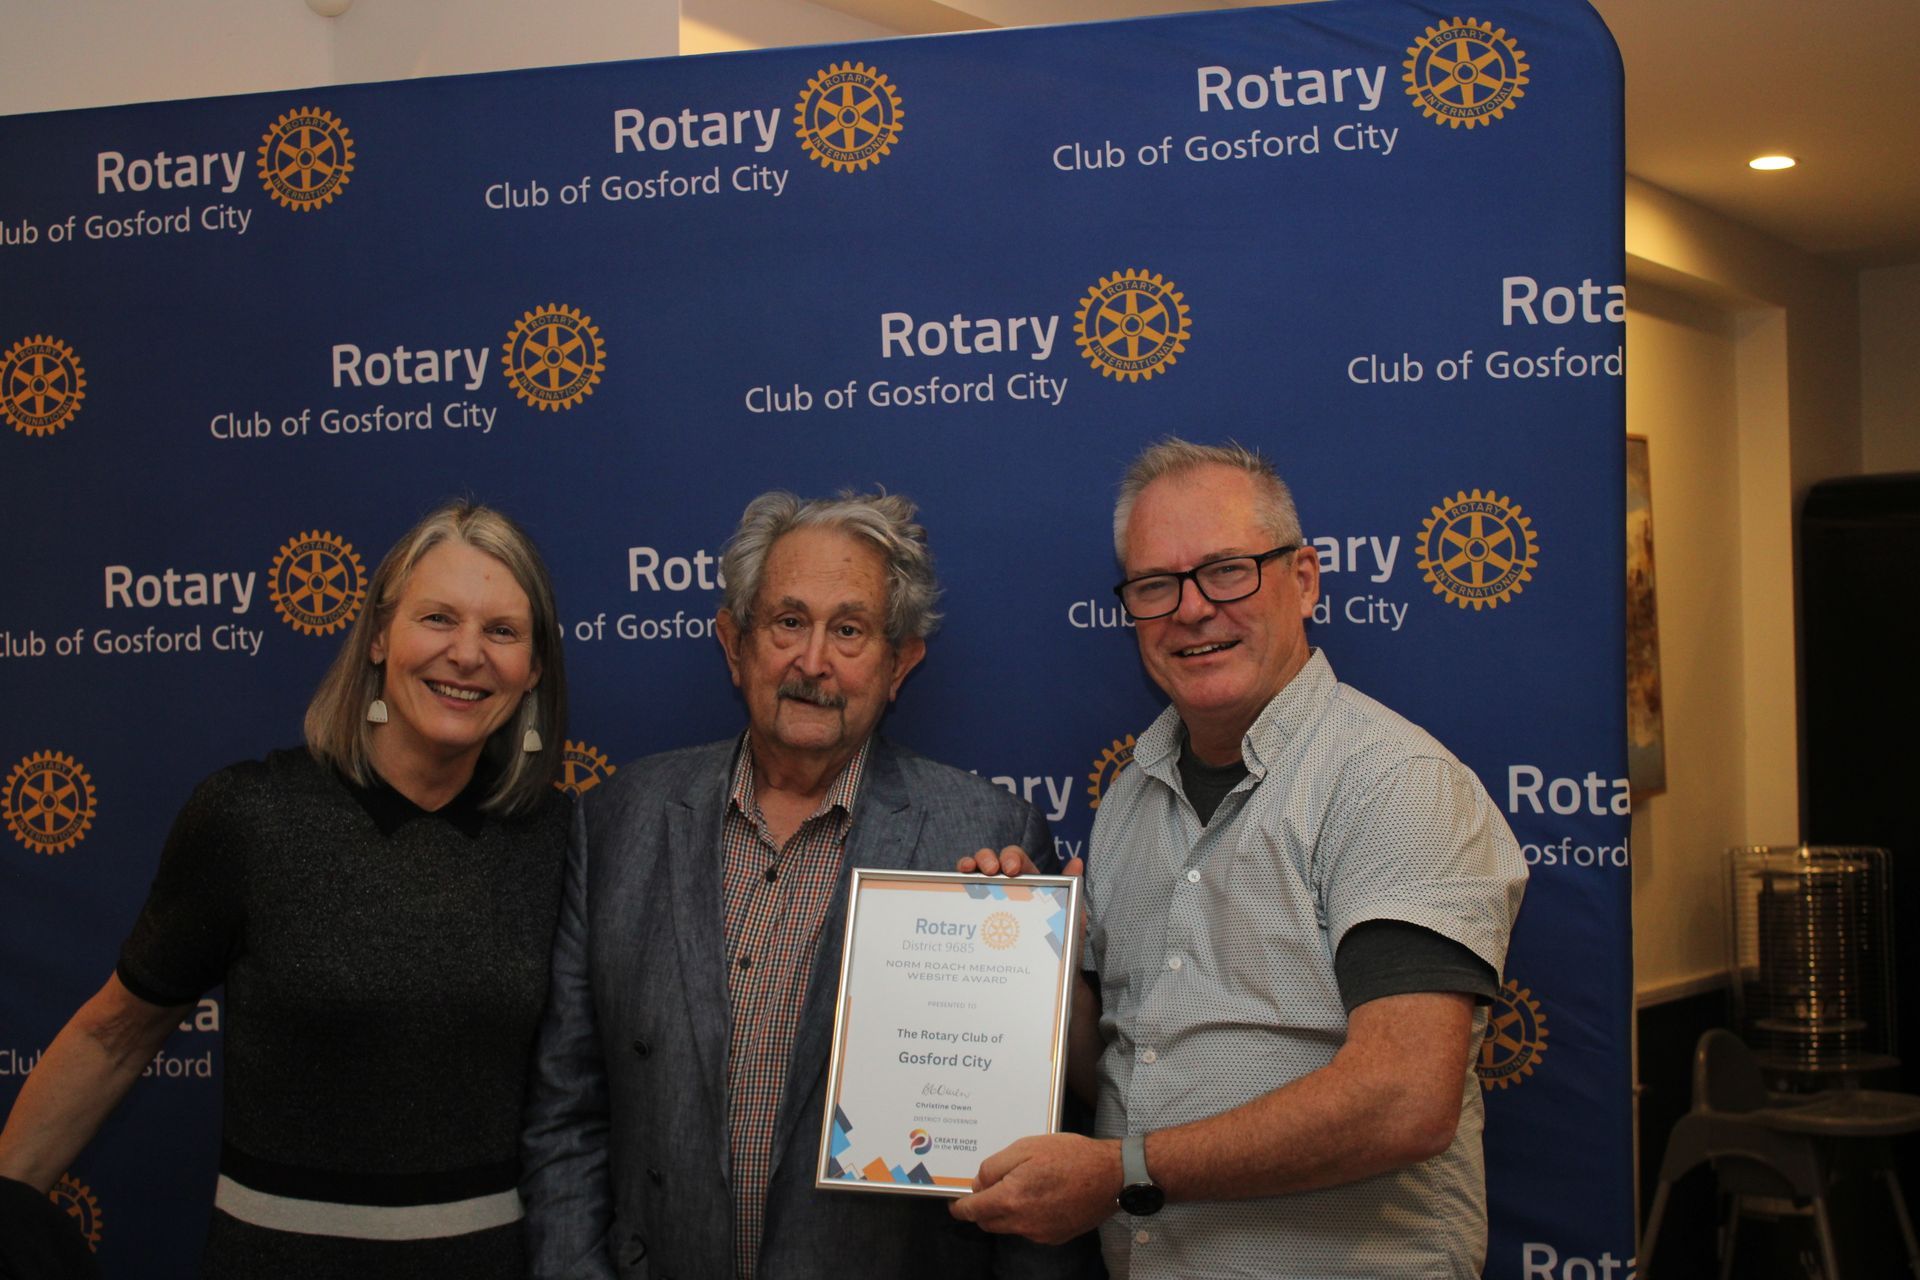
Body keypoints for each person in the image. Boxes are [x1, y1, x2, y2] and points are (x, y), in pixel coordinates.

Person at [951, 439, 1528, 1278]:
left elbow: (1405, 1099)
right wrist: (1009, 966)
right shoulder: (1128, 802)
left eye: (1227, 571)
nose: (1191, 609)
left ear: (1304, 579)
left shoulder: (1394, 784)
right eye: (1156, 585)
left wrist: (1126, 1175)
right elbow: (1115, 1068)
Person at [520, 489, 1089, 1280]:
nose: (813, 661)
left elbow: (1031, 1176)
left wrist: (1021, 983)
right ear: (734, 643)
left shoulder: (986, 840)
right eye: (788, 622)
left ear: (901, 663)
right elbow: (568, 1116)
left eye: (849, 630)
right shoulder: (618, 820)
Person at [0, 500, 573, 1279]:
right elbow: (114, 1037)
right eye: (437, 618)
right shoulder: (249, 817)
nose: (467, 654)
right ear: (378, 636)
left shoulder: (563, 841)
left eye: (502, 631)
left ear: (534, 667)